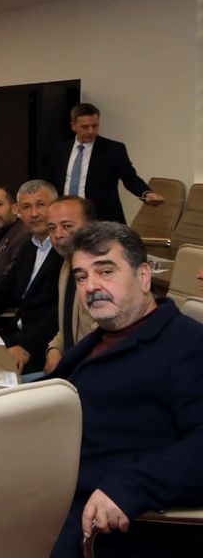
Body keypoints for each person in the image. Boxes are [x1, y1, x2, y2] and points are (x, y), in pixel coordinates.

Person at [50, 222, 203, 558]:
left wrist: (132, 486)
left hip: (98, 521)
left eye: (105, 271)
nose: (91, 286)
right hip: (45, 490)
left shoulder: (188, 345)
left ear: (143, 276)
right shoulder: (100, 338)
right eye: (81, 277)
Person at [0, 180, 60, 374]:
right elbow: (2, 292)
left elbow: (57, 312)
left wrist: (26, 346)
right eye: (27, 207)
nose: (34, 213)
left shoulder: (64, 251)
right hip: (14, 337)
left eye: (41, 205)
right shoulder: (29, 245)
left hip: (43, 349)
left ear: (55, 207)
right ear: (18, 210)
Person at [45, 103, 164, 223]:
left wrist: (146, 193)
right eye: (85, 127)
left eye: (95, 126)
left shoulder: (113, 149)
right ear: (73, 126)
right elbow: (49, 183)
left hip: (101, 217)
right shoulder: (59, 150)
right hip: (64, 216)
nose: (91, 131)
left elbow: (130, 177)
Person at [42, 196, 96, 374]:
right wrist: (54, 349)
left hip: (88, 375)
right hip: (68, 371)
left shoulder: (101, 276)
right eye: (52, 228)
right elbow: (67, 328)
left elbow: (104, 340)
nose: (58, 235)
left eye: (67, 226)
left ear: (91, 228)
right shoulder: (66, 266)